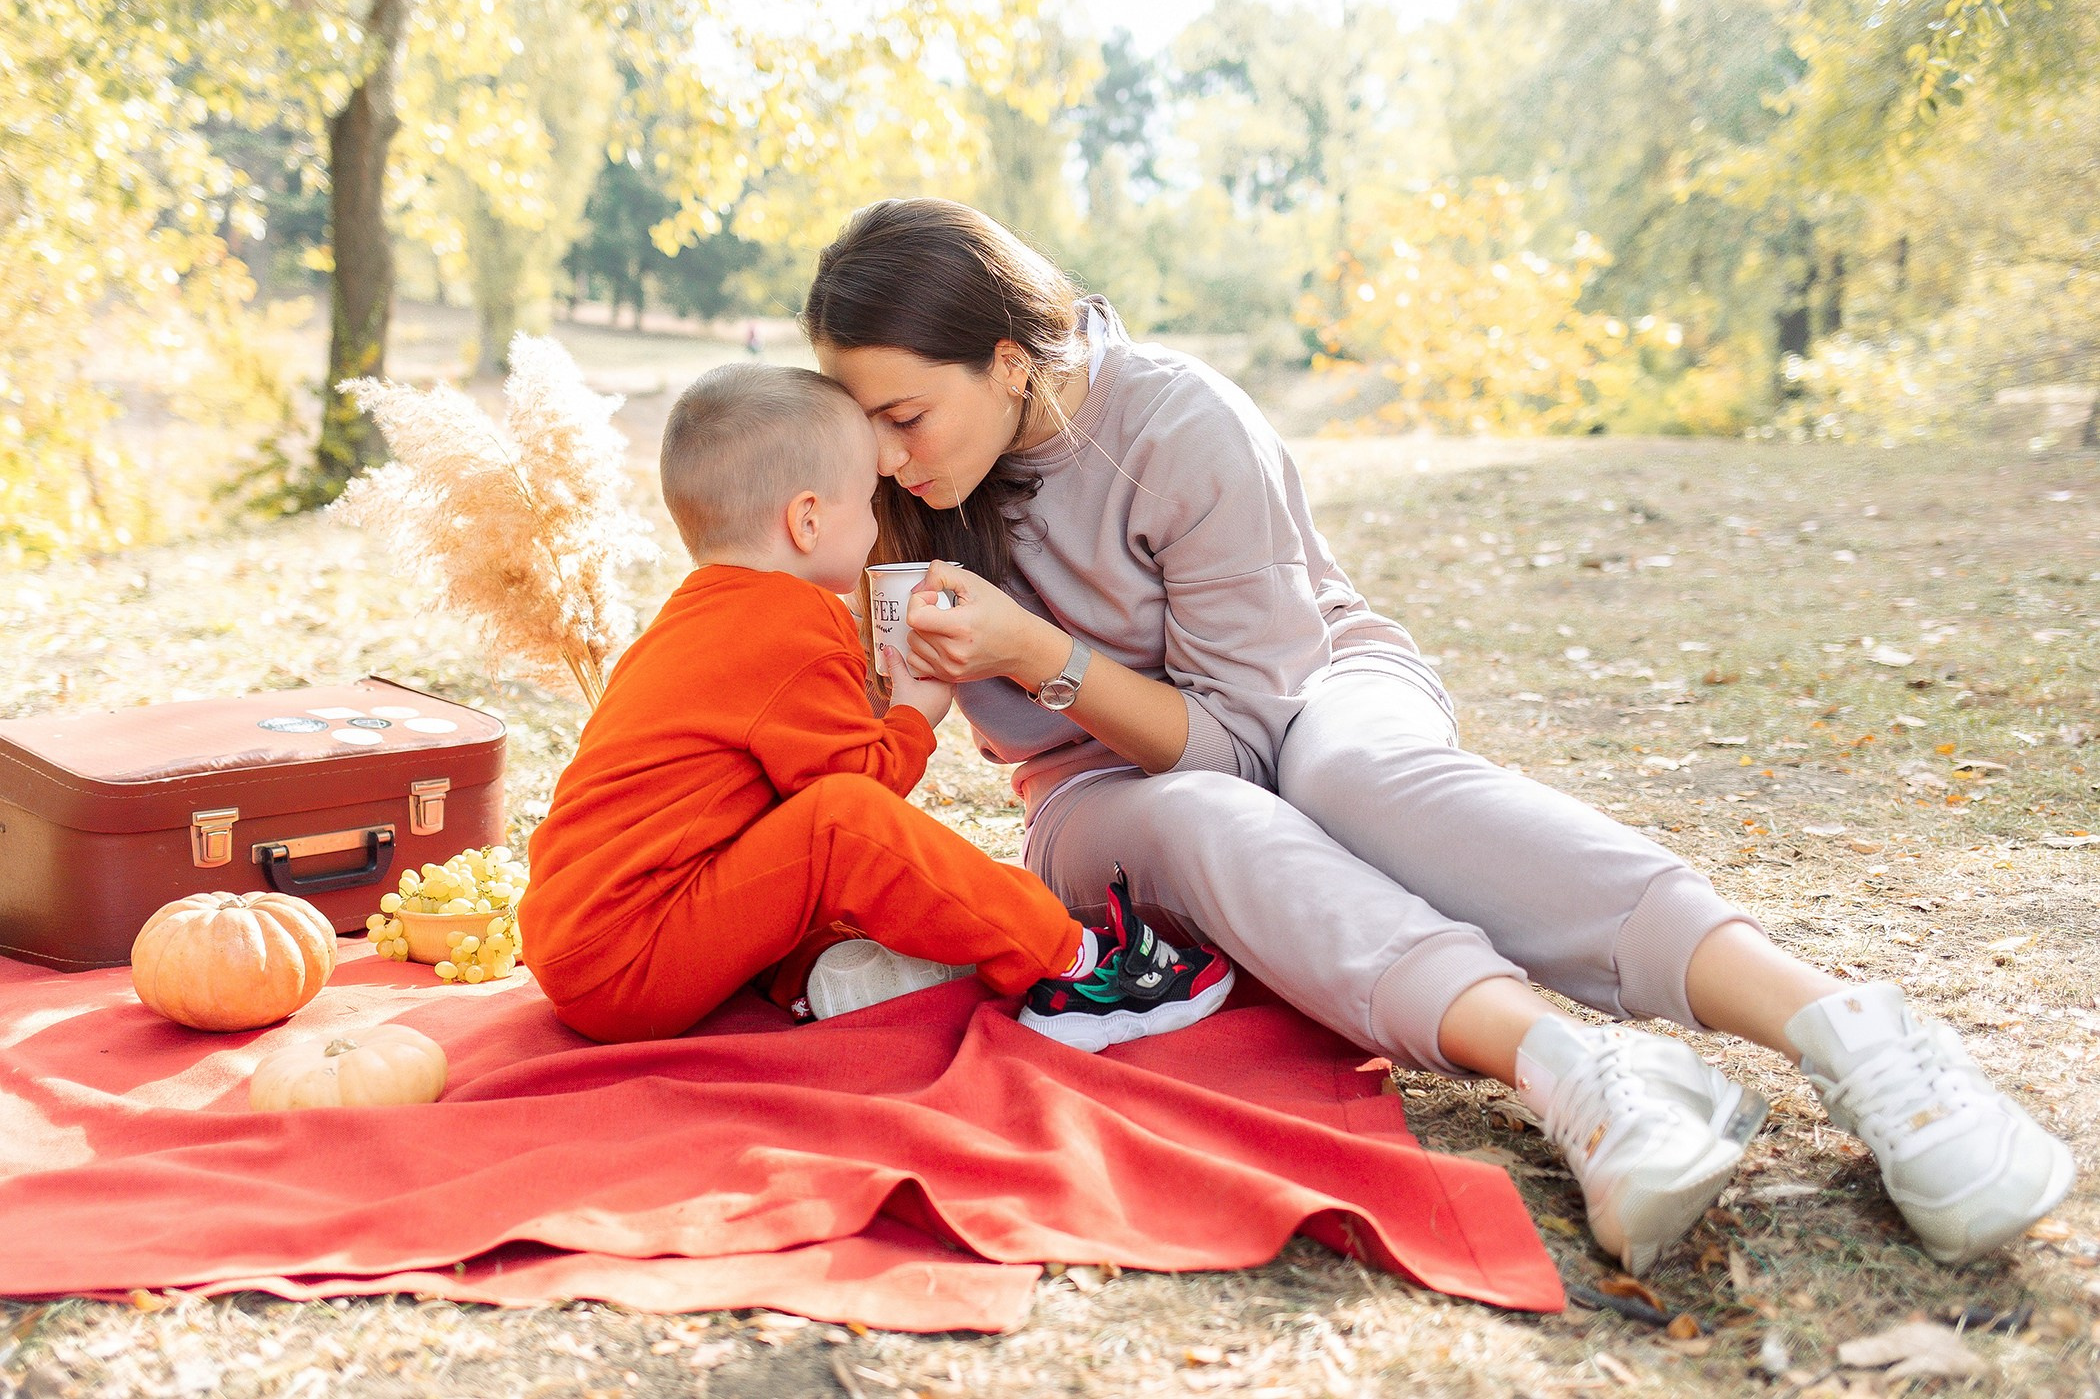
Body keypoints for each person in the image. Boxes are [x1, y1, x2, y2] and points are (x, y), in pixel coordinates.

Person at [800, 198, 2076, 1275]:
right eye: (868, 428)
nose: (891, 456)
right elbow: (863, 726)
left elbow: (1253, 735)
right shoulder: (901, 501)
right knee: (1205, 818)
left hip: (1316, 687)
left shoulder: (1181, 427)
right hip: (1098, 796)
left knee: (1349, 770)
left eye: (907, 416)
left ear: (1013, 359)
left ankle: (1853, 1032)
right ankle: (1576, 1069)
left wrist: (1042, 655)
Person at [518, 362, 1233, 1050]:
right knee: (840, 822)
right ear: (806, 522)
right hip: (631, 962)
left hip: (578, 943)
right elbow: (857, 794)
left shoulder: (692, 619)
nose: (874, 523)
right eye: (865, 501)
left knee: (791, 829)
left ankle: (821, 974)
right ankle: (1075, 964)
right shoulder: (793, 618)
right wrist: (916, 714)